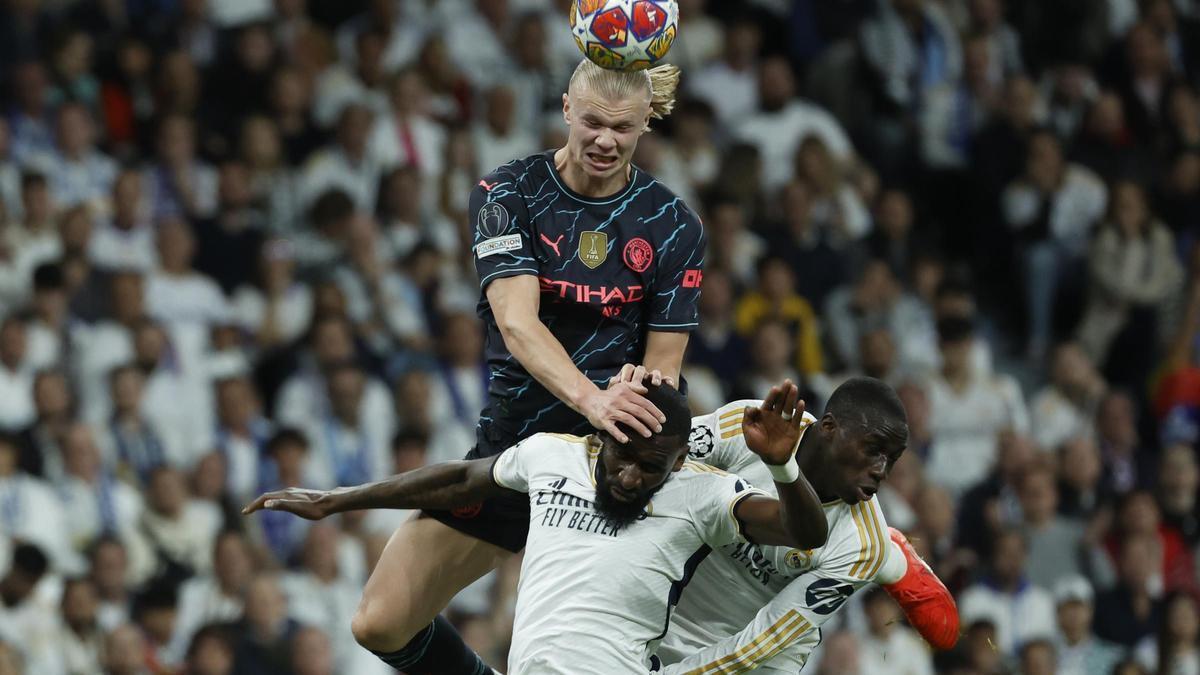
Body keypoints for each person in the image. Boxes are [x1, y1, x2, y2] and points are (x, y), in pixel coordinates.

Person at [307, 57, 705, 675]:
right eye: (593, 121)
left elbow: (663, 367)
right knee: (380, 623)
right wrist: (593, 397)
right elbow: (517, 323)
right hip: (512, 451)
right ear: (567, 110)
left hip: (612, 471)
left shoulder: (672, 224)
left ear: (645, 123)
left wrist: (633, 392)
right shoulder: (507, 193)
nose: (605, 139)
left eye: (622, 127)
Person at [245, 380, 828, 674]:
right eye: (619, 455)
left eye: (650, 468)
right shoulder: (554, 453)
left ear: (679, 462)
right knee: (376, 628)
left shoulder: (703, 495)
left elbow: (804, 533)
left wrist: (781, 466)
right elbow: (458, 480)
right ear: (600, 436)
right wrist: (338, 499)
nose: (627, 476)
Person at [658, 376, 958, 672]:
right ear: (828, 428)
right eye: (873, 449)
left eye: (891, 459)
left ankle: (891, 561)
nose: (882, 471)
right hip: (672, 605)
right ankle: (893, 560)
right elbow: (656, 463)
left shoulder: (862, 545)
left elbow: (759, 643)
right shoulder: (752, 425)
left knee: (873, 552)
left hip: (762, 654)